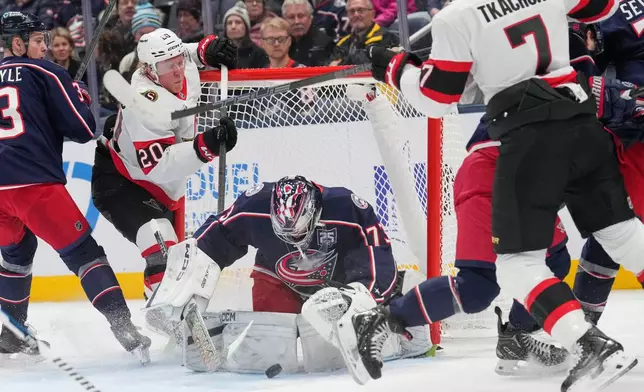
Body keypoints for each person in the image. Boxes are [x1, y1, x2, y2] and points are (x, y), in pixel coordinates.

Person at [333, 0, 644, 389]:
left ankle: (558, 341)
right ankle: (386, 319)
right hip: (549, 141)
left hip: (528, 140)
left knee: (536, 261)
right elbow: (604, 7)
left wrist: (397, 68)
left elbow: (436, 96)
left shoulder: (456, 17)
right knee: (611, 237)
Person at [145, 175, 431, 373]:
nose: (295, 241)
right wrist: (187, 278)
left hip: (338, 284)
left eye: (299, 232)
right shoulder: (253, 205)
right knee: (270, 344)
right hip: (279, 279)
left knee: (339, 345)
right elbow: (212, 239)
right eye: (285, 233)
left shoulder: (348, 208)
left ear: (316, 213)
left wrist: (359, 295)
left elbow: (378, 257)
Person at [0, 12, 150, 362]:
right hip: (33, 184)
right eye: (38, 40)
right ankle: (125, 328)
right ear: (18, 43)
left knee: (16, 255)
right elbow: (84, 128)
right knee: (84, 254)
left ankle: (12, 331)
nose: (45, 47)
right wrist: (79, 97)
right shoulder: (47, 72)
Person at [90, 28, 238, 337]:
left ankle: (162, 303)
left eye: (178, 60)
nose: (177, 68)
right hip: (122, 182)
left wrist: (208, 48)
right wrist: (205, 145)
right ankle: (165, 314)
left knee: (179, 255)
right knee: (162, 246)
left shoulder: (175, 63)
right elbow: (157, 165)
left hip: (160, 185)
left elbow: (187, 52)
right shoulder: (144, 103)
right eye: (167, 65)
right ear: (148, 71)